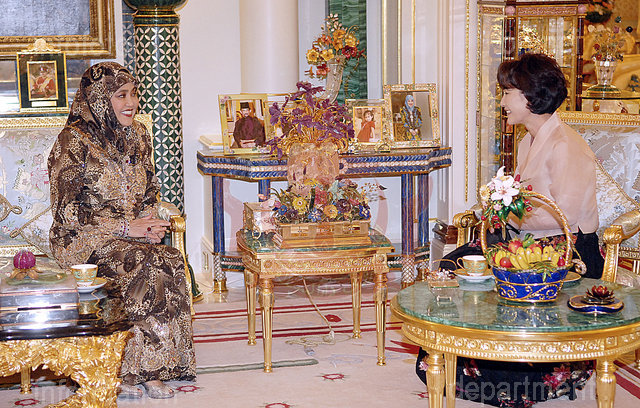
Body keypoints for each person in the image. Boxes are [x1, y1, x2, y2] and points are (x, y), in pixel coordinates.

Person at [415, 53, 602, 407]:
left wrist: (506, 216)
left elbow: (565, 216)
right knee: (453, 265)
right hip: (529, 244)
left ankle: (511, 374)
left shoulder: (566, 145)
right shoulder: (527, 141)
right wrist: (498, 213)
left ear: (531, 95)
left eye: (506, 93)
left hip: (568, 254)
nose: (501, 102)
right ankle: (458, 355)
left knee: (476, 265)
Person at [48, 62, 196, 400]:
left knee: (171, 259)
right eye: (121, 95)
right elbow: (66, 212)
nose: (131, 103)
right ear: (100, 99)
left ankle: (156, 366)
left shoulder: (138, 134)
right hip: (81, 240)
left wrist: (149, 225)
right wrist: (128, 227)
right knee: (142, 263)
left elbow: (149, 191)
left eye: (134, 94)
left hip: (129, 235)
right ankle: (126, 370)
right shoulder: (72, 141)